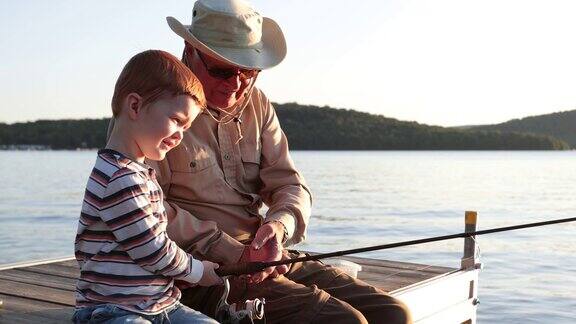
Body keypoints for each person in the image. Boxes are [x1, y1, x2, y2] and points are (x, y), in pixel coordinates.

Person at [111, 0, 411, 322]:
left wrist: (277, 228)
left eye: (249, 71)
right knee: (343, 321)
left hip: (265, 258)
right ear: (189, 49)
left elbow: (290, 184)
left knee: (394, 313)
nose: (237, 83)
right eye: (223, 70)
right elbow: (148, 210)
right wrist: (234, 252)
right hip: (200, 272)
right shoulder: (153, 109)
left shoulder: (259, 104)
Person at [73, 50, 223, 324]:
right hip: (112, 309)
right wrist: (198, 271)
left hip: (162, 304)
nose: (180, 135)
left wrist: (176, 275)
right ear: (135, 107)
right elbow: (153, 249)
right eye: (177, 120)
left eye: (187, 127)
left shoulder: (139, 172)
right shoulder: (119, 178)